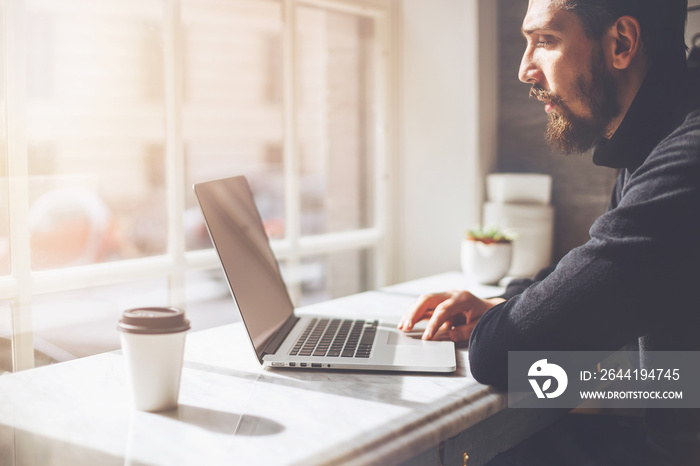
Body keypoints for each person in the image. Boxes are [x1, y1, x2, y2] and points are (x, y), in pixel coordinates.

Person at [399, 0, 700, 464]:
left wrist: (508, 322)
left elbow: (502, 353)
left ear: (621, 42)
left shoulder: (686, 161)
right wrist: (504, 303)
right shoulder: (652, 141)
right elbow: (590, 271)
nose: (524, 70)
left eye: (545, 41)